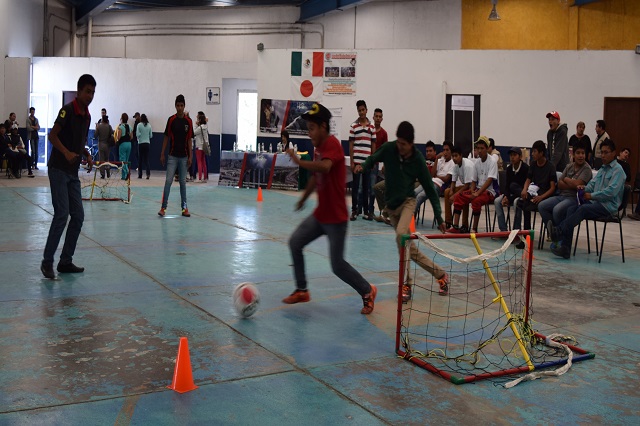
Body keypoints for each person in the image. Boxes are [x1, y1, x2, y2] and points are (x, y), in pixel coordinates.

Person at [282, 103, 377, 315]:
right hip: (320, 215)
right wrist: (304, 198)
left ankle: (367, 290)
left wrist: (298, 161)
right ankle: (302, 289)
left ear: (323, 127)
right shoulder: (320, 149)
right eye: (308, 128)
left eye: (312, 128)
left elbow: (325, 167)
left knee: (337, 265)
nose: (309, 133)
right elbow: (317, 177)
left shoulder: (332, 144)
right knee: (295, 242)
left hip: (336, 219)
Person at [355, 121, 449, 301]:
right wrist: (363, 166)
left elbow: (430, 188)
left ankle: (407, 284)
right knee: (408, 249)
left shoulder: (418, 160)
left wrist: (439, 216)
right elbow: (373, 158)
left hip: (407, 203)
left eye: (404, 144)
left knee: (402, 236)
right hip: (391, 207)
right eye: (398, 143)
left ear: (411, 144)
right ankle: (441, 275)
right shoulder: (390, 149)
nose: (400, 147)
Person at [40, 74, 96, 279]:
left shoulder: (87, 116)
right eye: (87, 91)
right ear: (79, 91)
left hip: (72, 173)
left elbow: (79, 143)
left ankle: (65, 261)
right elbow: (52, 135)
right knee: (62, 214)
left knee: (78, 216)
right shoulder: (67, 111)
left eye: (93, 92)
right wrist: (65, 153)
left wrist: (87, 154)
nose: (90, 96)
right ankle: (47, 262)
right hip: (58, 170)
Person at [548, 139, 626, 259]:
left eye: (606, 152)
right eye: (602, 152)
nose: (603, 156)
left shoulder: (618, 171)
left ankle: (559, 231)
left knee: (583, 209)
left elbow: (611, 192)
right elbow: (592, 184)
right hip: (596, 203)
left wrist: (591, 195)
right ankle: (565, 249)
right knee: (571, 209)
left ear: (614, 153)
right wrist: (583, 188)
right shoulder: (603, 169)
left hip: (608, 207)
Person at [538, 142, 592, 246]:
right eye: (578, 153)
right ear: (573, 155)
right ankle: (554, 233)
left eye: (583, 153)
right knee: (542, 206)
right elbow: (559, 184)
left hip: (574, 198)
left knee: (557, 209)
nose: (581, 156)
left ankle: (559, 237)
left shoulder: (587, 169)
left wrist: (566, 179)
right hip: (562, 195)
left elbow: (578, 185)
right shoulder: (569, 166)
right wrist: (571, 183)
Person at [448, 136, 499, 234]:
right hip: (477, 190)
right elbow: (474, 181)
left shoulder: (492, 161)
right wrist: (472, 191)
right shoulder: (477, 162)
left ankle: (474, 229)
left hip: (489, 192)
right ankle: (455, 226)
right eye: (478, 148)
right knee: (459, 196)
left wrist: (477, 193)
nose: (479, 151)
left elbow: (489, 180)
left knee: (476, 200)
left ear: (487, 148)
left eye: (482, 148)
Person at [159, 94, 193, 217]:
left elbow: (189, 140)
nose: (179, 108)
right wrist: (162, 153)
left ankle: (184, 208)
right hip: (172, 156)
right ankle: (163, 208)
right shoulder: (171, 120)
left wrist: (191, 156)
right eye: (178, 105)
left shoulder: (188, 121)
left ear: (184, 106)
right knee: (168, 181)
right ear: (175, 106)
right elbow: (166, 137)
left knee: (183, 183)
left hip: (184, 157)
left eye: (181, 106)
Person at [516, 140, 557, 231]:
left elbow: (552, 188)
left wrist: (541, 197)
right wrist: (524, 189)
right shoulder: (533, 164)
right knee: (523, 202)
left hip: (544, 193)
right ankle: (527, 232)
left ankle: (550, 229)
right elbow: (528, 179)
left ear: (541, 153)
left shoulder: (550, 167)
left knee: (527, 204)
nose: (532, 154)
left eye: (534, 151)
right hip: (534, 191)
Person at [349, 100, 376, 221]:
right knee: (355, 187)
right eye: (359, 110)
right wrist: (351, 161)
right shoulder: (353, 126)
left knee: (366, 187)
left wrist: (372, 161)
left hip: (366, 163)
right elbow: (351, 144)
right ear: (357, 111)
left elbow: (373, 145)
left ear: (366, 110)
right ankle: (354, 211)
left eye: (363, 110)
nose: (361, 112)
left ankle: (366, 211)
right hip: (356, 162)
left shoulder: (372, 127)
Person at [493, 147, 529, 235]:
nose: (512, 157)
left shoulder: (526, 168)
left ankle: (515, 232)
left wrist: (510, 198)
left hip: (521, 195)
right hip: (510, 194)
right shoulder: (509, 169)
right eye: (511, 155)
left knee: (517, 203)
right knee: (497, 201)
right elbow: (507, 186)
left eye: (514, 155)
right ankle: (504, 231)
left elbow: (523, 188)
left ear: (520, 157)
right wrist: (506, 196)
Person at [415, 140, 454, 216]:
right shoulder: (440, 160)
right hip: (430, 182)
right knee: (414, 193)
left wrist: (437, 176)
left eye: (447, 150)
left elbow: (446, 179)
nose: (445, 152)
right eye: (443, 150)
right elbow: (432, 174)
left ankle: (410, 219)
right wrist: (436, 159)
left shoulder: (452, 163)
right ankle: (406, 216)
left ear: (451, 151)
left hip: (439, 186)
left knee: (420, 196)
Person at [443, 146, 475, 231]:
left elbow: (467, 185)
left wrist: (455, 195)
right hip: (465, 186)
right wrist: (451, 190)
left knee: (462, 196)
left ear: (461, 155)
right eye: (453, 156)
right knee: (447, 192)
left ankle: (465, 225)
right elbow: (453, 181)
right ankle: (448, 221)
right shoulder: (456, 165)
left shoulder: (467, 166)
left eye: (456, 156)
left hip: (472, 187)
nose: (454, 158)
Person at [114, 113, 132, 180]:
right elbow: (131, 137)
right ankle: (123, 176)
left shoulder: (120, 127)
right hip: (129, 144)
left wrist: (116, 140)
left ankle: (127, 172)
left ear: (121, 119)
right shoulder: (130, 127)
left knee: (122, 160)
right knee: (126, 160)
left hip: (123, 144)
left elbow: (118, 137)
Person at [194, 111, 209, 183]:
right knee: (204, 162)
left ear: (200, 120)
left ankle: (199, 178)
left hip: (199, 147)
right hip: (204, 147)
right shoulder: (206, 127)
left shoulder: (199, 128)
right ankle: (205, 177)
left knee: (199, 162)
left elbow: (193, 133)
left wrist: (196, 125)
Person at [136, 114, 152, 179]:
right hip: (147, 143)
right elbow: (151, 135)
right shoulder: (149, 125)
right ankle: (148, 174)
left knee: (140, 159)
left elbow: (137, 134)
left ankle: (140, 174)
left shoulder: (139, 125)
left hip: (141, 143)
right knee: (146, 159)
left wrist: (140, 135)